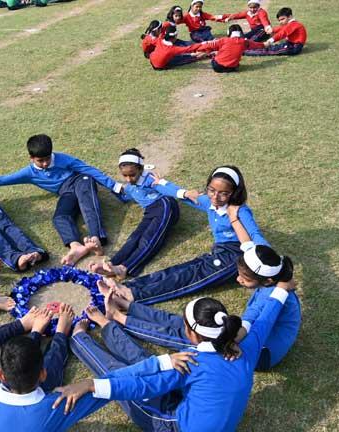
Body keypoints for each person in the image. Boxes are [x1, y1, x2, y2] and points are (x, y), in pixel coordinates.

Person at [55, 280, 295, 431]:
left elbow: (141, 386)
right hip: (193, 404)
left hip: (174, 424)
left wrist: (91, 385)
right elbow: (266, 318)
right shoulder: (247, 347)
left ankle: (79, 339)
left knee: (125, 372)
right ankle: (108, 326)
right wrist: (281, 289)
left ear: (191, 334)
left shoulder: (194, 363)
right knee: (154, 364)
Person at [96, 243, 300, 371]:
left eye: (244, 279)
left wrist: (230, 342)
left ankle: (120, 318)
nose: (238, 280)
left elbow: (255, 324)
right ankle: (127, 306)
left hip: (261, 353)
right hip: (252, 335)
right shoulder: (274, 283)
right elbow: (252, 316)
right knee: (185, 323)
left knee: (187, 335)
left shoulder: (274, 296)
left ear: (267, 280)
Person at [113, 165, 269, 304]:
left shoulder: (240, 211)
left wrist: (267, 263)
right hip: (220, 251)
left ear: (234, 193)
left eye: (223, 193)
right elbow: (184, 195)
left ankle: (135, 295)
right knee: (181, 269)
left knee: (190, 276)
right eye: (211, 190)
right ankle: (130, 286)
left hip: (236, 257)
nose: (215, 197)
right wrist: (161, 183)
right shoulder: (210, 202)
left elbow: (256, 236)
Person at [0, 305, 114, 431]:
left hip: (5, 392)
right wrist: (90, 384)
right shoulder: (53, 405)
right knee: (53, 359)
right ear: (43, 374)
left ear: (0, 375)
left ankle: (37, 332)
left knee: (18, 358)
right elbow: (111, 389)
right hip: (41, 393)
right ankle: (60, 332)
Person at [0, 134, 124, 266]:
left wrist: (114, 186)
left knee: (87, 203)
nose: (45, 163)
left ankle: (96, 237)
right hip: (66, 192)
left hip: (81, 181)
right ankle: (75, 246)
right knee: (59, 217)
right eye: (40, 160)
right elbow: (3, 180)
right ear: (31, 158)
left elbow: (89, 170)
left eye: (47, 159)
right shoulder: (29, 173)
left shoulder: (63, 159)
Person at [88, 149, 179, 279]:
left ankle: (124, 267)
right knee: (134, 238)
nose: (129, 179)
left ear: (140, 169)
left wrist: (183, 193)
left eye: (132, 175)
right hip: (149, 211)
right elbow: (125, 198)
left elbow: (169, 189)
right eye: (125, 176)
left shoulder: (150, 178)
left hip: (165, 206)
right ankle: (112, 263)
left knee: (149, 238)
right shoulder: (130, 187)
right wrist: (113, 188)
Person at [195, 24, 268, 72]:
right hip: (232, 68)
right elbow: (259, 45)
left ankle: (212, 54)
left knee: (217, 53)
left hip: (217, 67)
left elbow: (208, 45)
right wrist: (265, 44)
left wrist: (197, 49)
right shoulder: (245, 42)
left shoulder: (223, 40)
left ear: (229, 33)